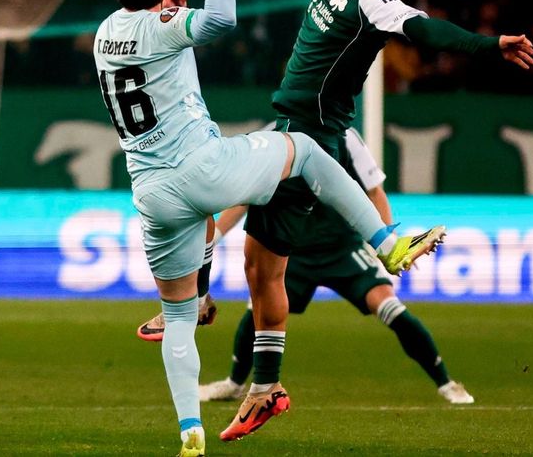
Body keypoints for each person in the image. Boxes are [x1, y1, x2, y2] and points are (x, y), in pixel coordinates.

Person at [227, 0, 533, 442]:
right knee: (260, 265)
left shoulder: (372, 0)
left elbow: (427, 29)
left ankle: (236, 331)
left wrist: (489, 45)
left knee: (240, 232)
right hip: (294, 130)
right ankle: (264, 384)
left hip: (304, 139)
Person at [95, 0, 445, 457]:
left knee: (179, 319)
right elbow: (222, 18)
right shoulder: (167, 25)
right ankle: (386, 242)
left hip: (152, 195)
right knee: (303, 148)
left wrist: (165, 4)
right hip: (203, 169)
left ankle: (190, 433)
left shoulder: (105, 35)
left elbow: (149, 30)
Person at [199, 128, 475, 406]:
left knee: (389, 306)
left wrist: (386, 245)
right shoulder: (275, 133)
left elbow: (374, 190)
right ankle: (234, 384)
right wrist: (214, 238)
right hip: (294, 251)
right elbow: (247, 197)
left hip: (343, 248)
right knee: (257, 310)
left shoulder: (345, 136)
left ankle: (446, 383)